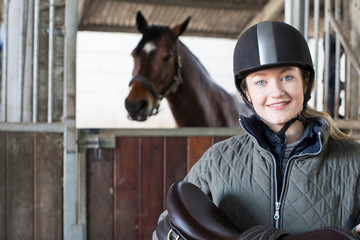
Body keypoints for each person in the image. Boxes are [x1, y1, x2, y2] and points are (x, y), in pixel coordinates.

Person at [153, 21, 360, 239]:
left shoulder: (354, 161)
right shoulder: (217, 161)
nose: (277, 92)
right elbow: (166, 228)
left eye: (287, 77)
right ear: (247, 93)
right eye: (261, 82)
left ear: (305, 83)